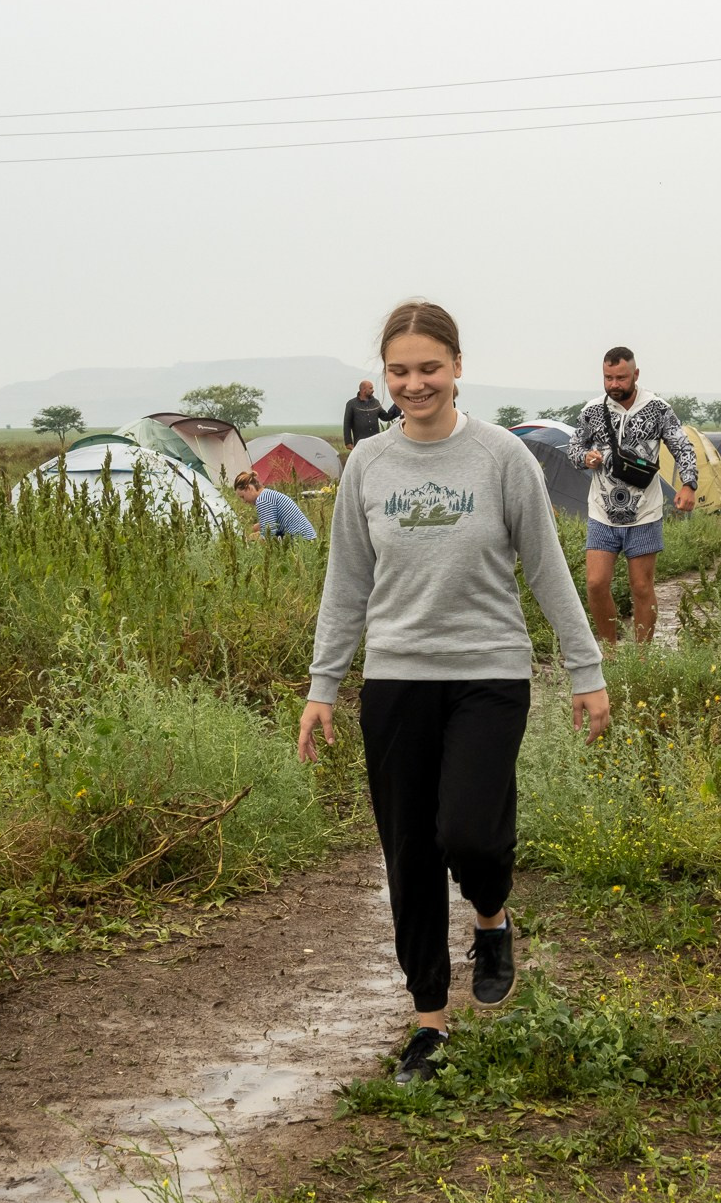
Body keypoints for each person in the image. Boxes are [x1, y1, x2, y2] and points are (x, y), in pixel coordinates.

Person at [298, 301, 610, 1086]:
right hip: (398, 679)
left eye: (428, 368)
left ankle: (492, 915)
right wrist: (323, 684)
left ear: (458, 366)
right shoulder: (368, 465)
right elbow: (346, 581)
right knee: (408, 852)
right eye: (399, 371)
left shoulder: (503, 458)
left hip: (488, 675)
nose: (413, 384)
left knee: (468, 831)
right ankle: (429, 1024)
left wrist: (586, 670)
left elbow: (546, 567)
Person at [566, 348, 700, 648]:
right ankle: (611, 651)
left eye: (621, 378)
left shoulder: (658, 408)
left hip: (645, 513)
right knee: (596, 583)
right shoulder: (592, 410)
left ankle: (642, 658)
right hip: (601, 512)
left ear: (635, 375)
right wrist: (585, 457)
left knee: (641, 587)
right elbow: (573, 448)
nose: (614, 384)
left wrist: (688, 484)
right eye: (608, 378)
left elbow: (682, 446)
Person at [232, 470, 317, 540]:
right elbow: (271, 524)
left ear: (249, 488)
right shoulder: (267, 495)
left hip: (302, 540)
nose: (244, 501)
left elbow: (269, 535)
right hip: (308, 537)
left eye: (243, 497)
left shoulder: (263, 500)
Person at [341, 378, 400, 449]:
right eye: (371, 388)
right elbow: (347, 424)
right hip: (360, 444)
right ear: (363, 390)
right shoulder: (351, 404)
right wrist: (348, 442)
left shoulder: (376, 402)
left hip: (376, 443)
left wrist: (398, 403)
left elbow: (385, 417)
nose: (373, 390)